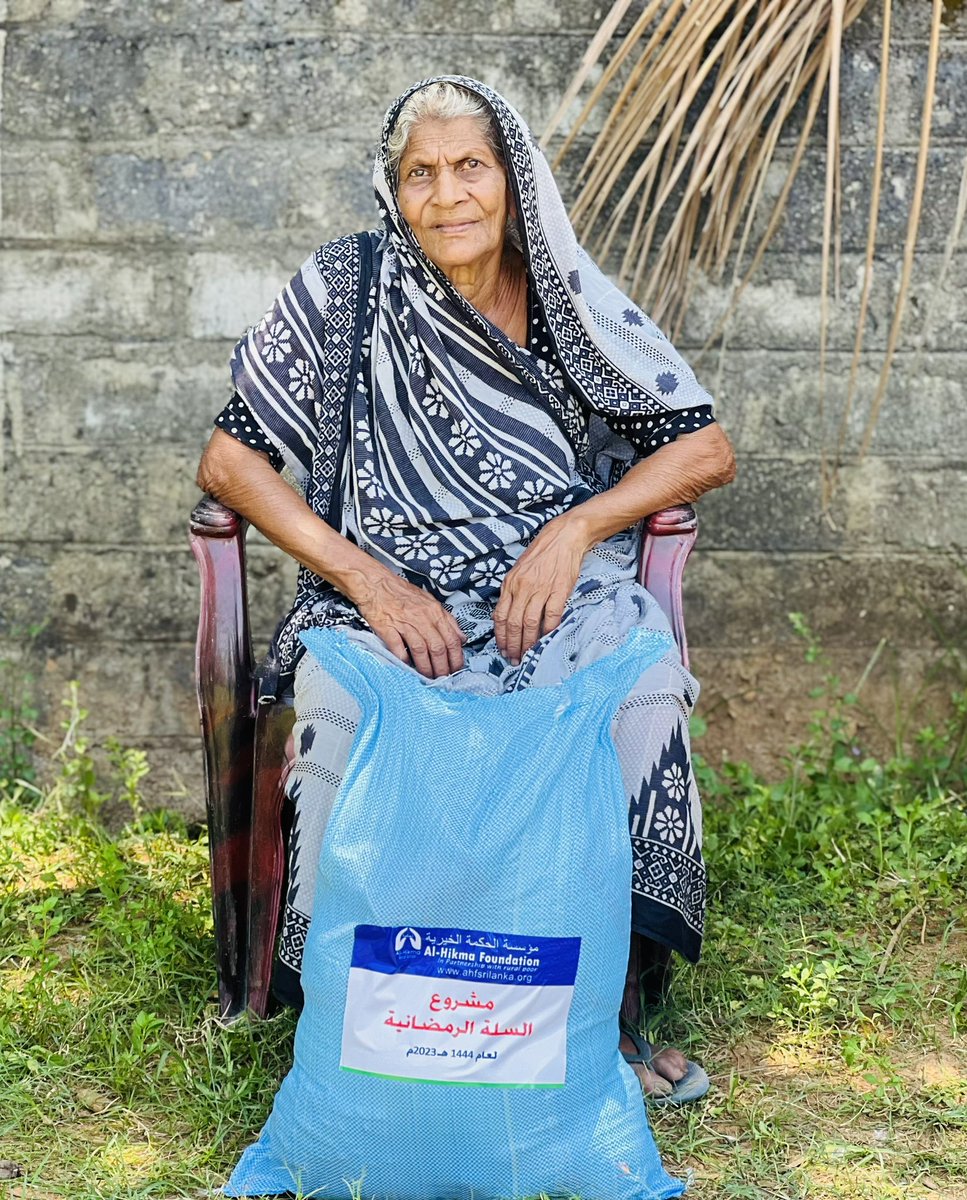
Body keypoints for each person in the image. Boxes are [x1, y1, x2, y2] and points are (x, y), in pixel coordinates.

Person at [196, 75, 735, 1102]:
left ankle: (606, 1025)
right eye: (420, 175)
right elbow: (231, 461)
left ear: (513, 180)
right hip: (386, 595)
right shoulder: (344, 288)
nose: (447, 196)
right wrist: (365, 578)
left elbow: (701, 446)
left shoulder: (565, 299)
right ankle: (373, 1033)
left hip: (550, 595)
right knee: (344, 708)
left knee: (638, 691)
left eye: (470, 168)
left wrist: (577, 530)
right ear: (392, 191)